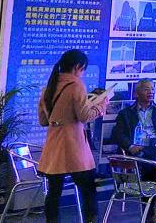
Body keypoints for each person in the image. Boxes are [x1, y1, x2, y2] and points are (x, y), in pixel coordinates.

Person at [38, 50, 108, 222]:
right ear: (77, 67)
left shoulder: (48, 87)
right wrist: (101, 105)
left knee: (54, 192)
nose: (82, 73)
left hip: (53, 147)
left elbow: (43, 121)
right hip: (74, 147)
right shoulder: (76, 85)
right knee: (88, 189)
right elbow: (84, 116)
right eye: (82, 69)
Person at [110, 79, 156, 167]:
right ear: (137, 94)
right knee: (144, 158)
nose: (150, 92)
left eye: (152, 89)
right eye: (146, 89)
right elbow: (118, 134)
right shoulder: (126, 114)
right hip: (137, 149)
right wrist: (130, 146)